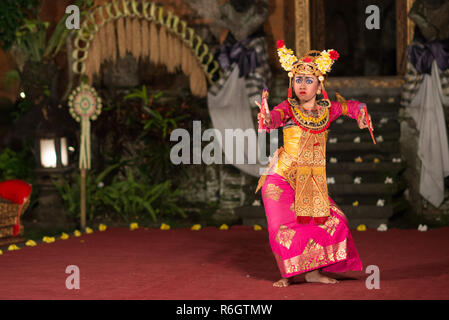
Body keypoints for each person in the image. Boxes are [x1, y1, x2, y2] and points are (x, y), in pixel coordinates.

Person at [255, 41, 371, 287]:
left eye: (309, 80)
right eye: (298, 80)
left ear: (319, 85)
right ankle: (288, 274)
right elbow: (272, 118)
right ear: (292, 83)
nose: (302, 85)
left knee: (336, 221)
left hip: (309, 182)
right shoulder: (287, 108)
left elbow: (352, 106)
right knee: (280, 229)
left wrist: (361, 113)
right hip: (280, 178)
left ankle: (313, 273)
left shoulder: (327, 111)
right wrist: (266, 116)